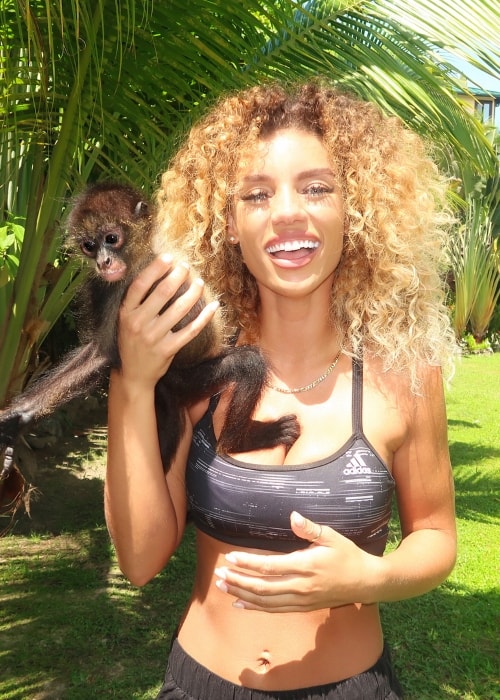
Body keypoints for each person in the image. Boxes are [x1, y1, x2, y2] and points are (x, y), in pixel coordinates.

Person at [105, 80, 457, 699]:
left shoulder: (406, 372)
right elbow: (139, 562)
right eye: (257, 194)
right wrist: (132, 385)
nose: (288, 211)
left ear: (357, 210)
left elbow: (435, 537)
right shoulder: (192, 369)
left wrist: (368, 577)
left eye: (317, 188)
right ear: (229, 224)